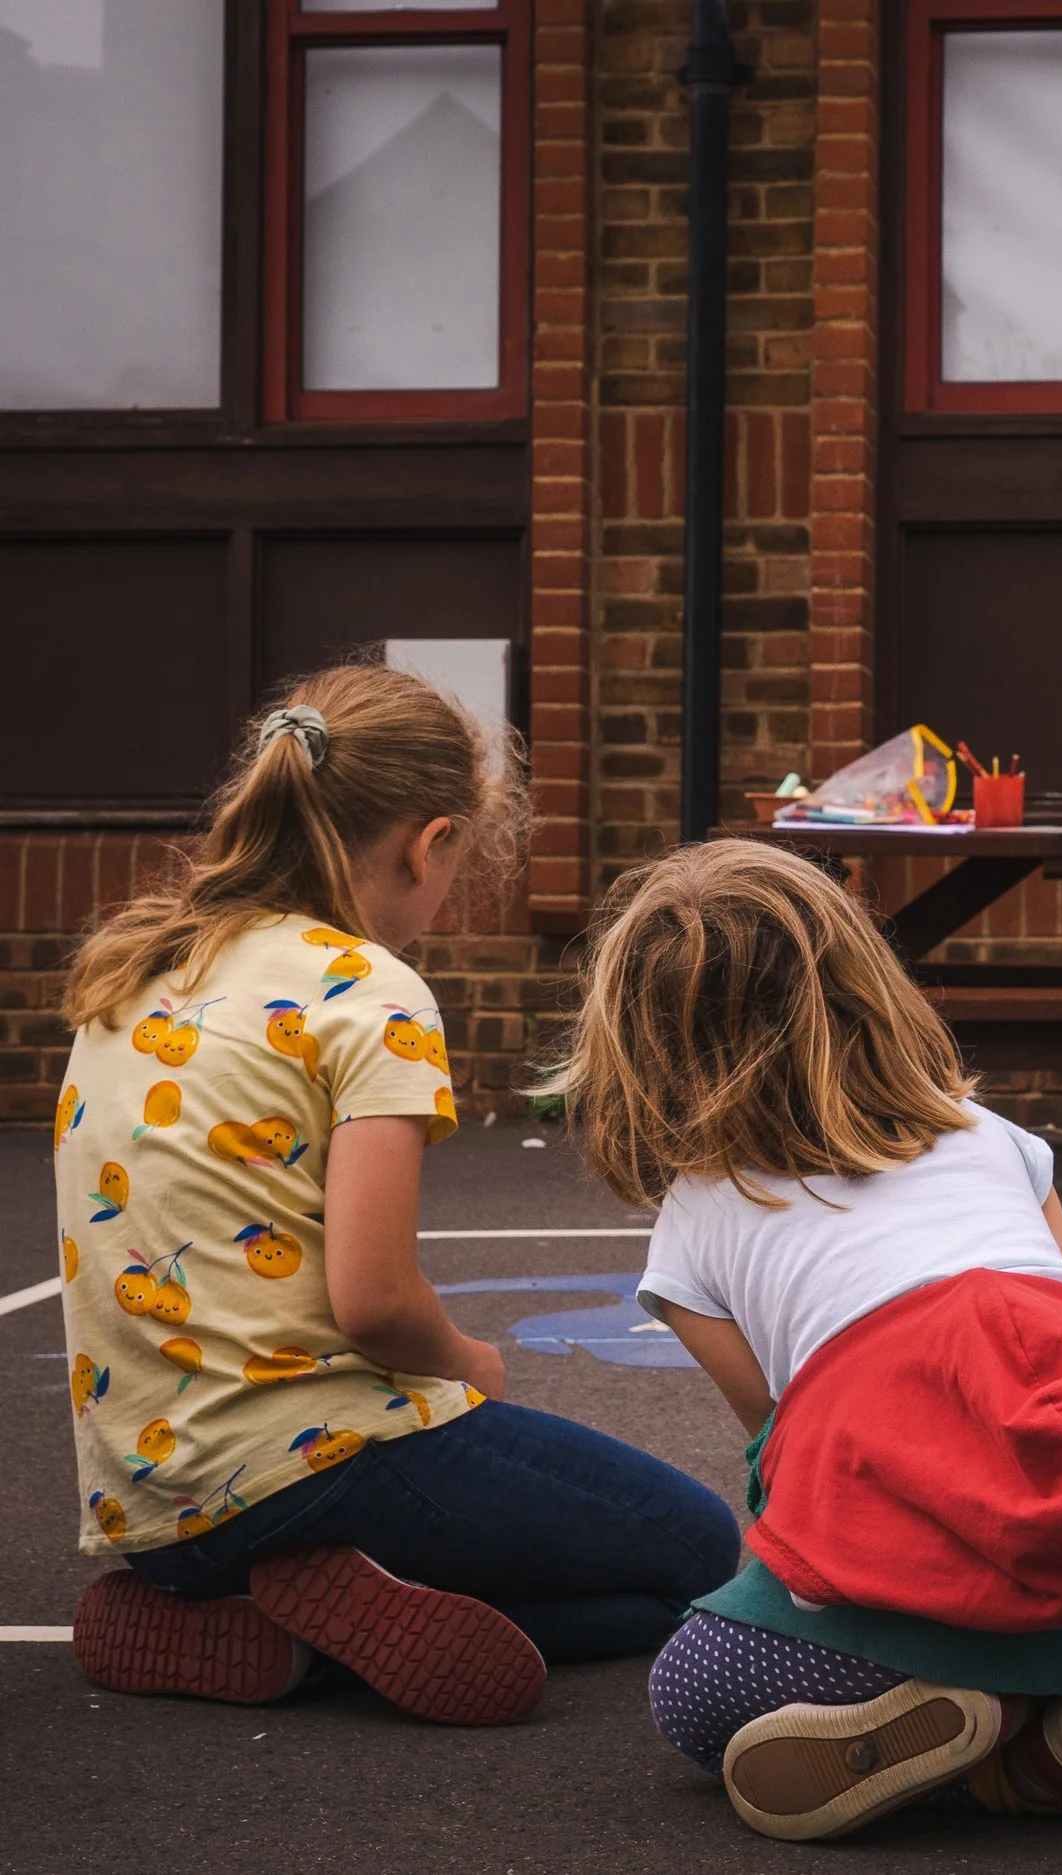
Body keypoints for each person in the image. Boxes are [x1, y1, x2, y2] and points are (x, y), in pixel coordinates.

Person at [543, 841, 1062, 1842]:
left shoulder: (693, 1223)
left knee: (693, 1689)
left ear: (642, 1047)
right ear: (866, 984)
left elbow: (785, 1447)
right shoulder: (993, 1141)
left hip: (919, 1575)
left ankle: (981, 1743)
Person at [57, 662, 741, 1727]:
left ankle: (246, 1617)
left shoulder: (134, 969)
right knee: (699, 1555)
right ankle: (314, 1638)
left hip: (155, 1510)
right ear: (428, 843)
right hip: (315, 1467)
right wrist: (468, 1364)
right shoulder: (367, 991)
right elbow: (374, 1302)